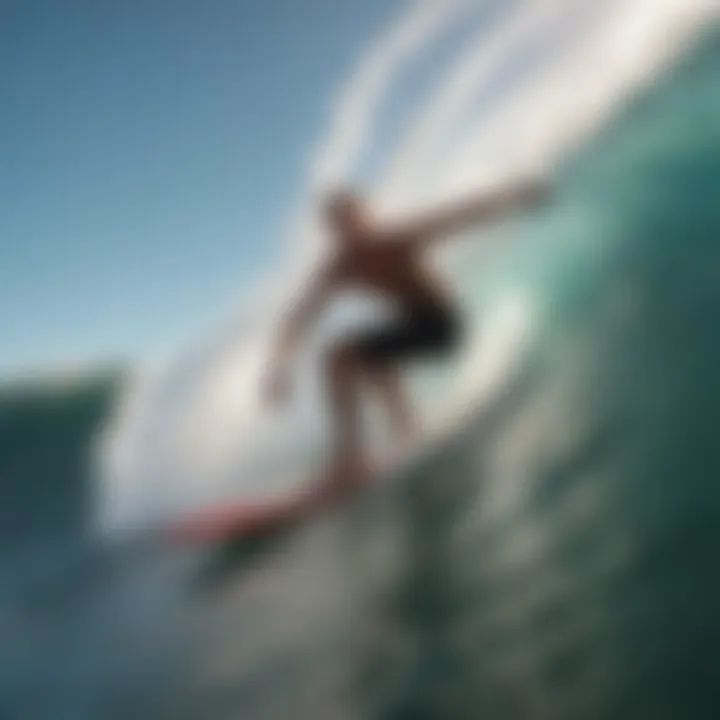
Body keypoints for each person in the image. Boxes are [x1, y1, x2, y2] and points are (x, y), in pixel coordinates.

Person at [264, 178, 550, 495]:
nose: (348, 230)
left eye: (351, 219)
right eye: (338, 225)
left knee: (345, 353)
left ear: (364, 215)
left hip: (444, 325)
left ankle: (350, 457)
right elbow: (299, 317)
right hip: (412, 325)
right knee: (358, 355)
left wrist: (515, 197)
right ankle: (407, 433)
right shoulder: (340, 267)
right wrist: (280, 365)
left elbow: (460, 216)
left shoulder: (395, 239)